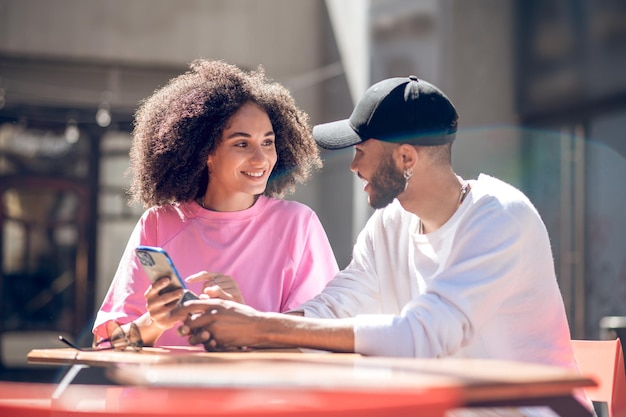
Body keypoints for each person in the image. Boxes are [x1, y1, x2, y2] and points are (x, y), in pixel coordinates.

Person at [174, 75, 579, 371]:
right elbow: (333, 309)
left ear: (405, 159)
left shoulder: (501, 218)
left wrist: (262, 329)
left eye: (361, 152)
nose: (352, 166)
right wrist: (246, 325)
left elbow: (422, 336)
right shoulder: (390, 226)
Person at [92, 59, 339, 347]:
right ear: (205, 152)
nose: (261, 159)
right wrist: (154, 321)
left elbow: (320, 339)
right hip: (165, 391)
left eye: (268, 142)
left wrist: (244, 320)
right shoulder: (158, 224)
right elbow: (108, 346)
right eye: (242, 143)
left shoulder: (298, 224)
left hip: (257, 392)